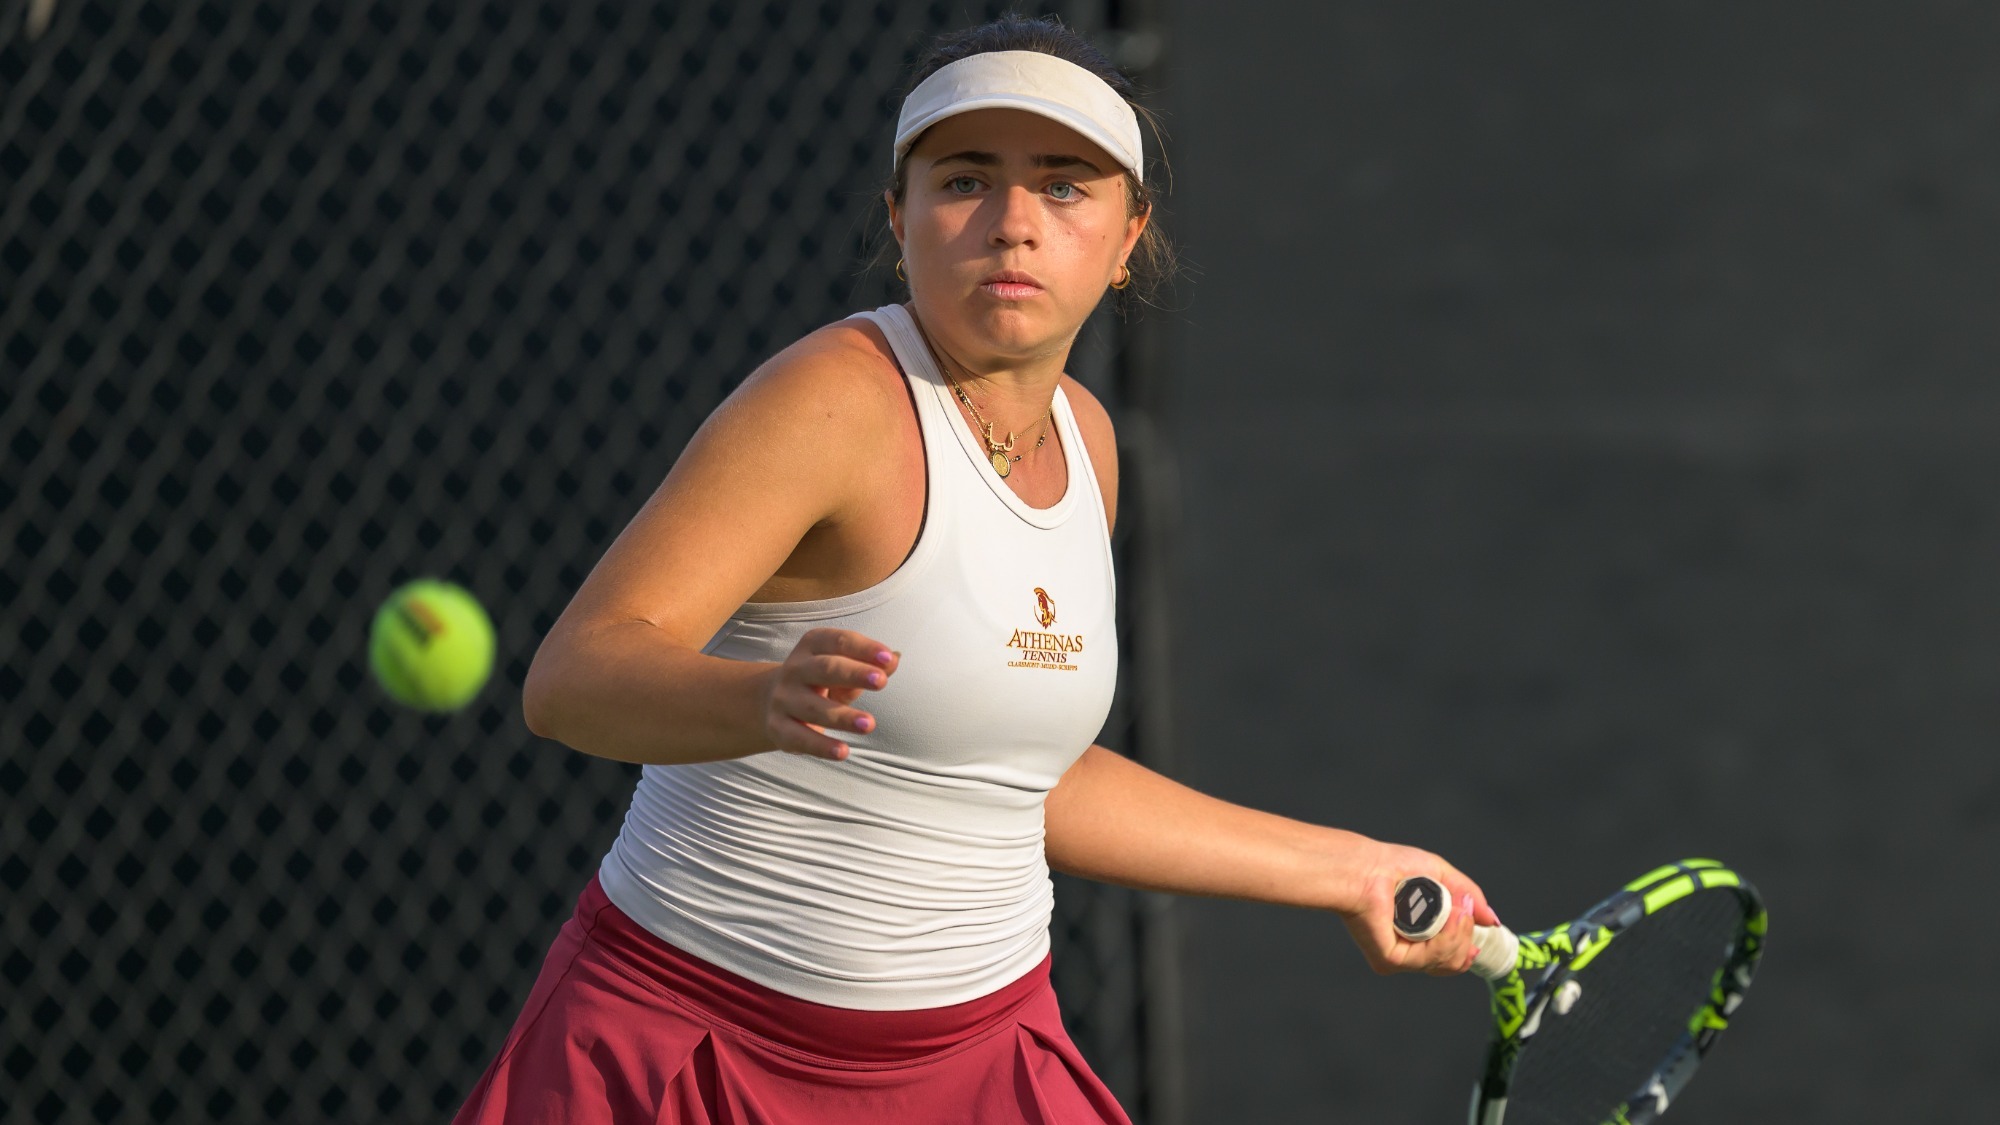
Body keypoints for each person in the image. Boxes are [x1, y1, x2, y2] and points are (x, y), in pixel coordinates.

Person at [453, 14, 1499, 1125]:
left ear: (1129, 233)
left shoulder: (1085, 442)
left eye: (1062, 187)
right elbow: (572, 679)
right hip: (694, 1048)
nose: (1011, 225)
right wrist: (756, 696)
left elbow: (1018, 776)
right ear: (896, 218)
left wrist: (1351, 868)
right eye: (963, 181)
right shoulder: (832, 401)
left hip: (979, 1064)